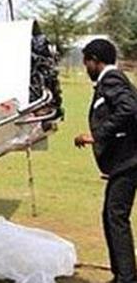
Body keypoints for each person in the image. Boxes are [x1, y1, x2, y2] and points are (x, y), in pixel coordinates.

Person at [75, 38, 137, 282]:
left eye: (86, 63)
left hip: (130, 161)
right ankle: (123, 274)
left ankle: (126, 278)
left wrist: (96, 135)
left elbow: (130, 108)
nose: (85, 68)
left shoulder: (111, 79)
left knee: (115, 216)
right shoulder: (113, 80)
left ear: (95, 61)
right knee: (113, 215)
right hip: (125, 160)